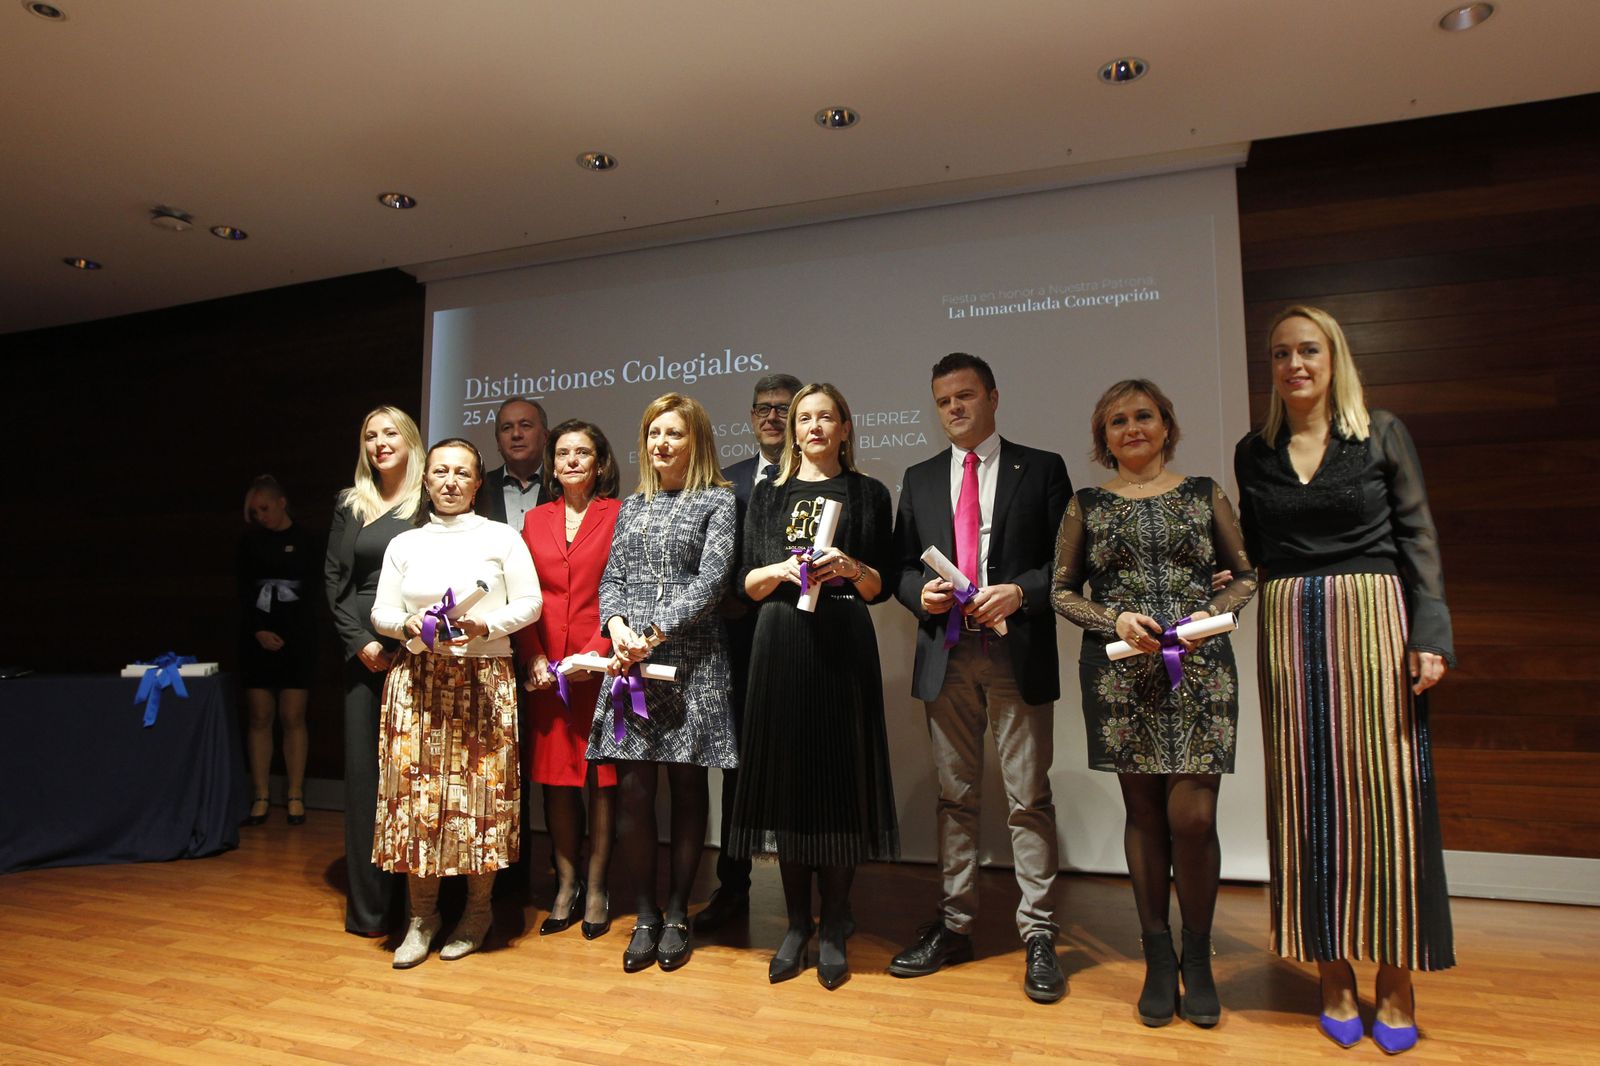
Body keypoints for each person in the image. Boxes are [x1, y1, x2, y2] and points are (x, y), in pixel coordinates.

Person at [1234, 305, 1455, 1055]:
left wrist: (1430, 635)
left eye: (1308, 350)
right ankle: (1332, 973)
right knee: (1306, 798)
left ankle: (1396, 980)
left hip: (1373, 618)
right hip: (1290, 627)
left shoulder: (1380, 431)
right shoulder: (1253, 451)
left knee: (1385, 800)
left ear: (1334, 359)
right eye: (1280, 354)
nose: (1294, 364)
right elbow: (1257, 554)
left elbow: (1419, 535)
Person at [1050, 380, 1257, 1027]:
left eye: (1143, 416)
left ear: (1166, 425)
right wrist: (1114, 619)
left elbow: (1247, 573)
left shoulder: (1204, 494)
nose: (1131, 427)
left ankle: (1197, 955)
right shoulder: (1085, 504)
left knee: (1193, 819)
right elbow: (1060, 590)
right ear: (1103, 438)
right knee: (1144, 814)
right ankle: (1157, 955)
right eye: (1117, 421)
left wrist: (1207, 615)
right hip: (1120, 676)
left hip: (1199, 671)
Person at [890, 352, 1072, 1004]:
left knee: (1028, 799)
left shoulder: (1042, 468)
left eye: (966, 396)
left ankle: (1040, 935)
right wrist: (922, 596)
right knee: (955, 799)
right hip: (948, 656)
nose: (955, 409)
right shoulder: (919, 478)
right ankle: (957, 925)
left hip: (1014, 654)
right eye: (944, 401)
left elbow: (1067, 566)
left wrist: (1019, 593)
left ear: (993, 397)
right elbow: (901, 569)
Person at [728, 382, 899, 990]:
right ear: (792, 429)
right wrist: (777, 569)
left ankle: (832, 927)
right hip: (781, 642)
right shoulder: (768, 495)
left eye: (826, 417)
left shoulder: (869, 493)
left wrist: (853, 568)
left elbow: (882, 587)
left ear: (846, 428)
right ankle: (796, 923)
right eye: (804, 418)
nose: (814, 427)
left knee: (839, 780)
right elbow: (745, 586)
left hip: (844, 641)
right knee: (791, 784)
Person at [370, 438, 542, 968]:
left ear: (476, 482)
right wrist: (406, 626)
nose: (449, 481)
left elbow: (531, 602)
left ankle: (477, 911)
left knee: (481, 800)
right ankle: (422, 918)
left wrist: (486, 623)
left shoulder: (503, 537)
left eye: (461, 473)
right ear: (426, 481)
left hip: (482, 680)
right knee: (415, 799)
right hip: (417, 680)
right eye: (440, 472)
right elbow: (381, 610)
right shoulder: (405, 543)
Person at [586, 393, 739, 974]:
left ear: (695, 438)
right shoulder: (633, 505)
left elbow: (711, 582)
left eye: (673, 433)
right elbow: (615, 578)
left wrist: (654, 630)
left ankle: (678, 912)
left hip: (692, 660)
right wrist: (620, 628)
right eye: (653, 433)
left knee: (688, 788)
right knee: (634, 791)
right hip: (630, 661)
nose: (661, 444)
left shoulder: (718, 500)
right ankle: (645, 913)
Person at [699, 371, 802, 933]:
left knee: (797, 767)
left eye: (783, 408)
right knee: (737, 768)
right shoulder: (727, 481)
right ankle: (732, 886)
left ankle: (806, 893)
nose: (771, 416)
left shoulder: (817, 478)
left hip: (797, 640)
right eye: (762, 408)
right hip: (736, 644)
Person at [515, 420, 623, 940]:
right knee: (556, 781)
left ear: (600, 462)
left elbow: (625, 590)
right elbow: (521, 597)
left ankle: (599, 886)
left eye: (583, 453)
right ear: (552, 465)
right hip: (546, 675)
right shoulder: (534, 521)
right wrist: (533, 655)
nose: (572, 461)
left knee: (601, 780)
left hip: (603, 668)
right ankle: (566, 883)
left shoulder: (620, 515)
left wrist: (598, 654)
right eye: (563, 453)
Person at [324, 405, 424, 937]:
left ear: (409, 440)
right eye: (370, 436)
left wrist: (410, 639)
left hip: (418, 654)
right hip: (363, 656)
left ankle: (423, 908)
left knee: (414, 778)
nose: (380, 443)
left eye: (389, 433)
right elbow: (334, 582)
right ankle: (369, 912)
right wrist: (360, 642)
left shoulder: (429, 501)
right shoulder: (350, 502)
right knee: (366, 779)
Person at [237, 475, 320, 827]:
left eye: (265, 509)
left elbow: (316, 593)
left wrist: (291, 634)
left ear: (282, 502)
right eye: (255, 512)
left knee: (292, 717)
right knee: (258, 717)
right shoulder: (249, 543)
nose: (261, 517)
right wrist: (258, 631)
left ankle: (295, 795)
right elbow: (240, 592)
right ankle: (260, 794)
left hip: (297, 639)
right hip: (257, 637)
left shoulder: (308, 540)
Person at [476, 397, 549, 532]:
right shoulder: (479, 488)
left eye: (525, 425)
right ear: (498, 442)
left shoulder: (563, 486)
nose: (516, 434)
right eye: (507, 428)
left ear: (545, 436)